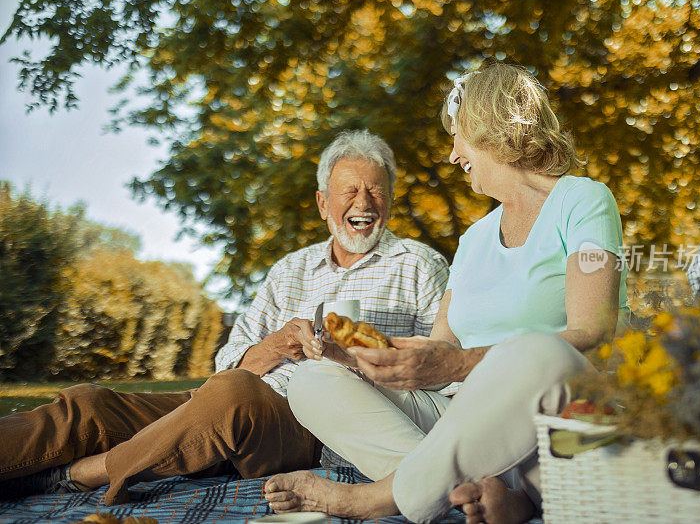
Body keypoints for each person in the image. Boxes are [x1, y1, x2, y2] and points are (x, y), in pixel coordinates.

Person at [0, 129, 449, 506]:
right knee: (89, 404)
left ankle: (82, 474)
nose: (364, 202)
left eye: (376, 190)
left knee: (230, 396)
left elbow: (441, 369)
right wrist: (276, 345)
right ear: (322, 203)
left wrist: (356, 348)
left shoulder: (418, 264)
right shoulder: (290, 269)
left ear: (389, 200)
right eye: (350, 190)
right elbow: (227, 361)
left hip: (310, 425)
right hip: (227, 401)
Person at [264, 63, 628, 524]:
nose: (454, 155)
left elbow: (594, 333)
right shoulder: (473, 239)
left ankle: (378, 498)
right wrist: (357, 355)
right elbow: (441, 354)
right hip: (467, 426)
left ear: (489, 127)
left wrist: (462, 364)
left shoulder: (585, 200)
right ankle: (478, 494)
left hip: (565, 427)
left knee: (538, 353)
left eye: (458, 135)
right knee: (311, 380)